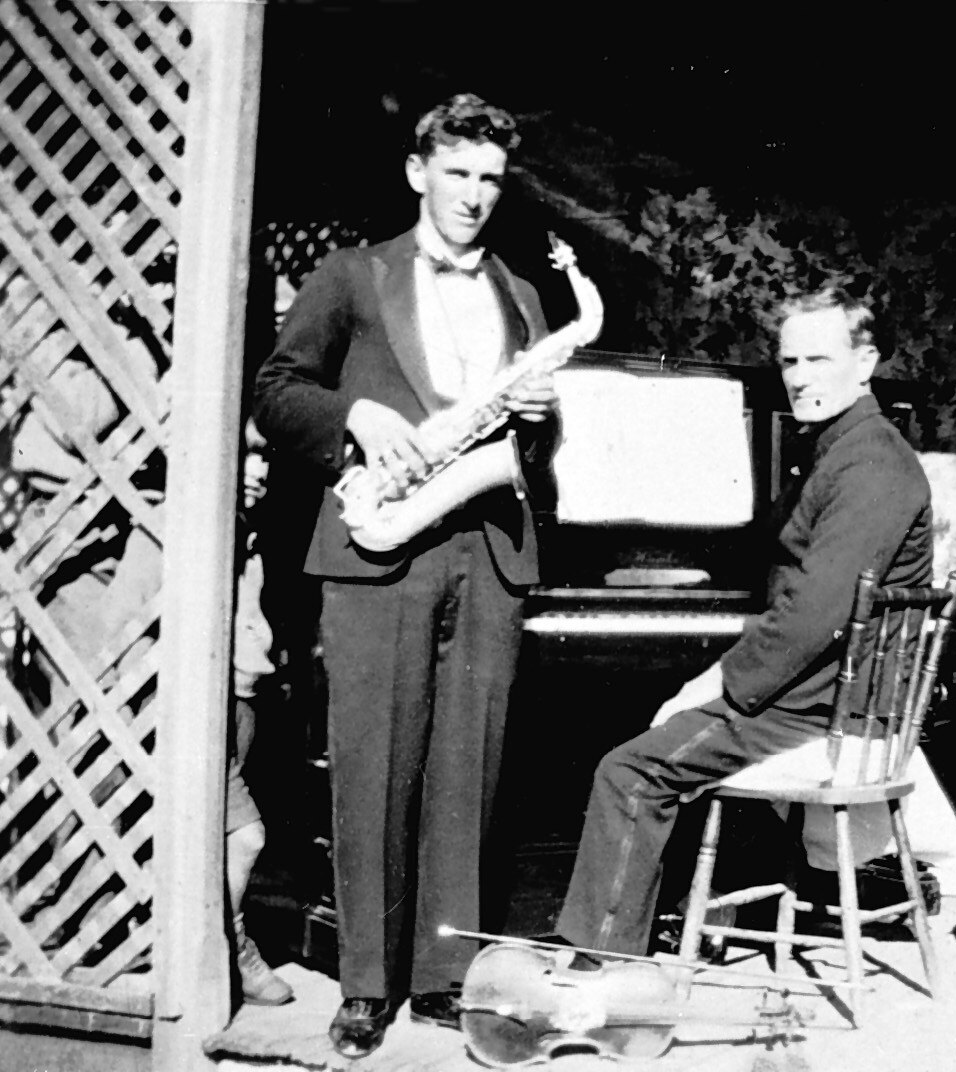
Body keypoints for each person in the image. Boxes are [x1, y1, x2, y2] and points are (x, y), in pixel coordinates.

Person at [253, 93, 557, 1058]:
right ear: (417, 171)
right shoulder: (352, 275)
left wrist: (540, 420)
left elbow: (532, 445)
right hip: (379, 545)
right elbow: (275, 390)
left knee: (469, 771)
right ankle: (366, 983)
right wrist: (354, 414)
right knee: (373, 766)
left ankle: (440, 974)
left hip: (486, 547)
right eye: (456, 172)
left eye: (490, 179)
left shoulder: (522, 293)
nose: (473, 195)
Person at [555, 287, 934, 960]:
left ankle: (602, 962)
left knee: (628, 772)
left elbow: (814, 616)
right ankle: (688, 913)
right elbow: (782, 563)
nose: (800, 377)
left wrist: (716, 682)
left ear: (865, 362)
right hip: (821, 691)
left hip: (828, 706)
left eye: (819, 359)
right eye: (790, 361)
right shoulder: (838, 449)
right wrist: (682, 574)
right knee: (662, 725)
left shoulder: (870, 462)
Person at [225, 419, 293, 1007]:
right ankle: (234, 949)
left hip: (244, 701)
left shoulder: (248, 533)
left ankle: (232, 949)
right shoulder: (207, 535)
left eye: (265, 458)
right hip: (213, 710)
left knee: (230, 839)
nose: (259, 472)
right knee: (245, 836)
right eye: (247, 456)